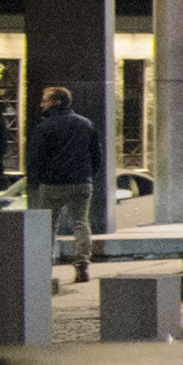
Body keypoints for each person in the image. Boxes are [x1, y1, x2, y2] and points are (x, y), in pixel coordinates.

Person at [26, 86, 105, 283]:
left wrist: (36, 180)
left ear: (57, 102)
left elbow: (36, 157)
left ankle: (45, 266)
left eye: (45, 100)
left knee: (48, 225)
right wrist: (88, 175)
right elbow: (97, 155)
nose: (42, 104)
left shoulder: (44, 127)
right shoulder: (85, 124)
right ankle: (82, 264)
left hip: (52, 183)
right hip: (81, 182)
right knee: (81, 222)